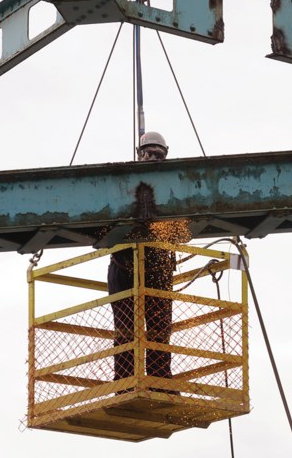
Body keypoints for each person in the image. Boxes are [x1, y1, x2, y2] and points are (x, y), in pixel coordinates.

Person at [109, 131, 177, 391]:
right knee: (126, 326)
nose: (153, 159)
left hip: (157, 264)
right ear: (139, 154)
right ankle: (126, 380)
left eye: (157, 155)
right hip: (124, 263)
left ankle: (159, 378)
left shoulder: (173, 185)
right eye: (149, 153)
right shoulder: (126, 183)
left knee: (159, 327)